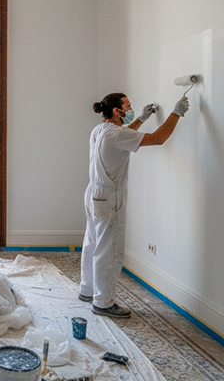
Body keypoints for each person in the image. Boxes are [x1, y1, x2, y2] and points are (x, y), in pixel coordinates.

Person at [79, 93, 189, 318]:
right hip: (109, 197)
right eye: (128, 106)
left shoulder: (100, 130)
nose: (131, 109)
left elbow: (124, 136)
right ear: (117, 111)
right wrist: (176, 113)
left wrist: (140, 119)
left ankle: (87, 290)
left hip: (93, 193)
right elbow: (158, 138)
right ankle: (103, 302)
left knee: (92, 243)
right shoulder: (118, 134)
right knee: (109, 250)